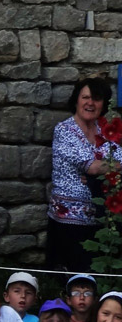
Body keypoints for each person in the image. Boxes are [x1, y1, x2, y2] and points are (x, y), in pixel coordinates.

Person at [46, 77, 121, 272]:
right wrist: (99, 170)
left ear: (103, 103)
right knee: (76, 278)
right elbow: (92, 167)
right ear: (76, 100)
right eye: (85, 97)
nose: (90, 103)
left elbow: (111, 162)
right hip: (71, 219)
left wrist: (103, 169)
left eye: (96, 99)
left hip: (103, 219)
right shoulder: (64, 130)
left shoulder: (105, 131)